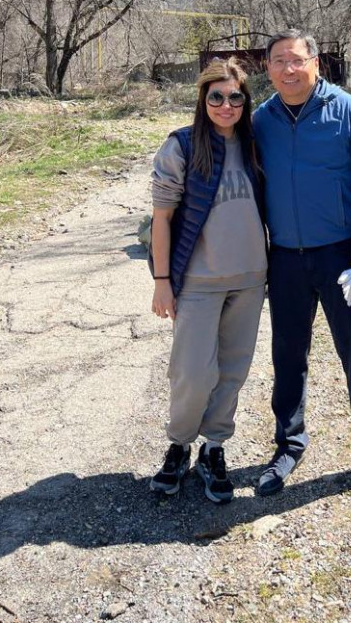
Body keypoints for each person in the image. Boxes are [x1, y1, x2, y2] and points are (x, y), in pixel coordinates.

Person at [253, 29, 351, 507]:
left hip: (341, 256)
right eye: (279, 61)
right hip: (285, 259)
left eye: (297, 59)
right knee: (287, 356)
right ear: (268, 68)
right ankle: (288, 445)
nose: (288, 69)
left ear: (316, 63)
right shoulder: (262, 120)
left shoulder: (346, 110)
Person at [148, 57, 266, 503]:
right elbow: (162, 219)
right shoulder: (180, 145)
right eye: (216, 96)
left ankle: (214, 447)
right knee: (192, 374)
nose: (226, 105)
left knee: (232, 372)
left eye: (235, 97)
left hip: (250, 279)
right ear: (202, 97)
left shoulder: (255, 145)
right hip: (198, 280)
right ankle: (179, 444)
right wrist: (162, 280)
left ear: (245, 101)